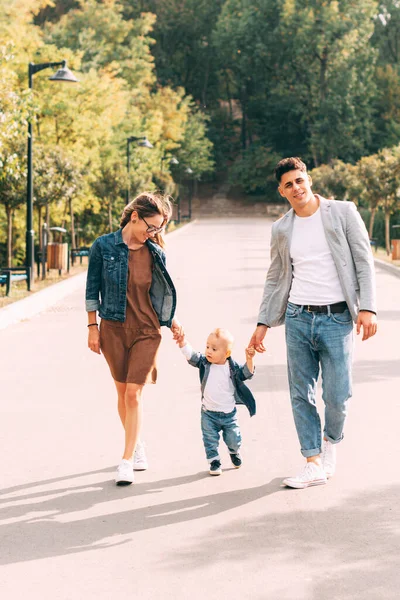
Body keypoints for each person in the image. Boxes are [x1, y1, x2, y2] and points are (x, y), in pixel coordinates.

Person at [249, 157, 377, 489]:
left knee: (337, 395)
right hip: (298, 317)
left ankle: (330, 442)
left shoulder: (343, 212)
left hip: (337, 319)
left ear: (310, 180)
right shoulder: (281, 228)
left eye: (300, 180)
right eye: (289, 184)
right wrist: (263, 322)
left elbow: (364, 260)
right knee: (299, 393)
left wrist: (368, 308)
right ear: (281, 191)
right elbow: (276, 277)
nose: (296, 188)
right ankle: (312, 461)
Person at [86, 192, 182, 486]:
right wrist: (92, 327)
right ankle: (136, 441)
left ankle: (126, 460)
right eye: (150, 227)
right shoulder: (103, 246)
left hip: (147, 331)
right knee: (120, 394)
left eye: (158, 229)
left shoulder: (156, 253)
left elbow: (158, 295)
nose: (153, 233)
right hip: (113, 329)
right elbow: (92, 290)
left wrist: (172, 320)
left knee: (133, 394)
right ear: (134, 216)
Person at [176, 327, 256, 475]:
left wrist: (249, 359)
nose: (209, 351)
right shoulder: (205, 363)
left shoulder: (232, 368)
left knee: (233, 439)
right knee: (209, 440)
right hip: (208, 413)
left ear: (227, 354)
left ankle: (234, 451)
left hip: (228, 415)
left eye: (214, 349)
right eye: (207, 346)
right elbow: (191, 356)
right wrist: (182, 342)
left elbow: (247, 373)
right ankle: (214, 461)